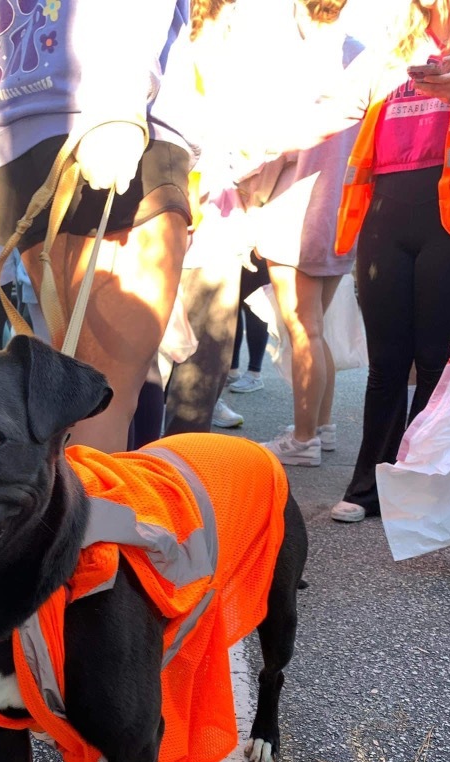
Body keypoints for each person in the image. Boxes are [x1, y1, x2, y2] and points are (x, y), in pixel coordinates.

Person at [0, 1, 199, 454]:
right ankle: (91, 523)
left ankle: (76, 518)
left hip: (14, 119)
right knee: (101, 394)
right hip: (105, 115)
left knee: (76, 382)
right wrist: (118, 100)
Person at [331, 0, 450, 521]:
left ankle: (415, 486)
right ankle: (367, 483)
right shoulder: (386, 50)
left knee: (436, 358)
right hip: (386, 212)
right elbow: (331, 109)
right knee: (386, 360)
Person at [239, 0, 370, 468]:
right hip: (345, 210)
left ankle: (303, 437)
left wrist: (248, 189)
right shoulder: (361, 54)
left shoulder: (295, 63)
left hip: (296, 206)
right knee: (317, 329)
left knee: (303, 328)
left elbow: (274, 146)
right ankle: (321, 425)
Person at [163, 0, 248, 437]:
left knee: (168, 374)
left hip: (188, 226)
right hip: (197, 229)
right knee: (197, 373)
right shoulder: (198, 60)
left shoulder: (177, 52)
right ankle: (177, 478)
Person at [227, 255, 271, 393]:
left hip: (257, 246)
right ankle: (232, 370)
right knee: (232, 307)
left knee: (254, 307)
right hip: (233, 246)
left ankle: (254, 373)